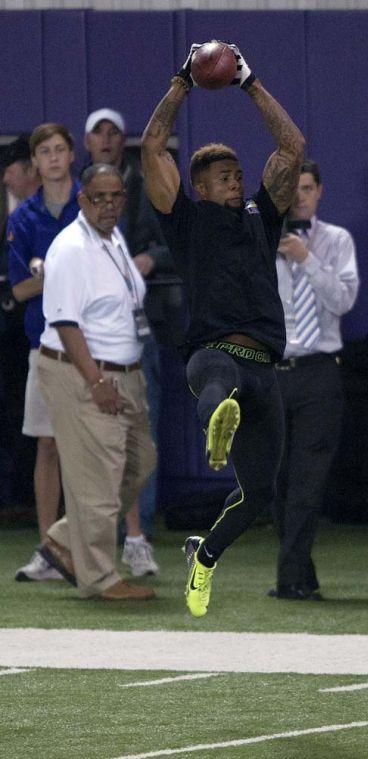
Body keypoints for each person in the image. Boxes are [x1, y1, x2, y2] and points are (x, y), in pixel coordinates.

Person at [141, 42, 305, 617]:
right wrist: (182, 81)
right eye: (224, 176)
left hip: (265, 369)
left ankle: (203, 556)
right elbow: (153, 147)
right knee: (216, 378)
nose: (236, 181)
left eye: (238, 173)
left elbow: (292, 147)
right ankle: (218, 417)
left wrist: (248, 81)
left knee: (259, 493)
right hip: (213, 354)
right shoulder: (185, 220)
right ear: (202, 187)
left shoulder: (263, 214)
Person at [36, 163, 157, 601]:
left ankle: (65, 540)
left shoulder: (113, 238)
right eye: (99, 198)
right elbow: (65, 322)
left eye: (116, 196)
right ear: (82, 200)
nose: (108, 205)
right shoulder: (70, 248)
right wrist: (95, 381)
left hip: (125, 371)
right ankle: (100, 578)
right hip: (84, 372)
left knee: (139, 461)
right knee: (100, 479)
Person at [83, 107, 173, 564]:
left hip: (137, 329)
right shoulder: (77, 200)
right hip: (87, 335)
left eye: (112, 133)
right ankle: (96, 528)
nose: (105, 139)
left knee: (140, 428)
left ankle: (139, 530)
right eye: (97, 132)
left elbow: (170, 243)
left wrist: (148, 260)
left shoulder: (144, 188)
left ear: (123, 142)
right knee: (93, 435)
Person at [269, 159, 359, 600]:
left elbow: (342, 301)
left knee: (309, 479)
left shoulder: (337, 240)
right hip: (274, 373)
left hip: (320, 371)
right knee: (277, 482)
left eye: (306, 187)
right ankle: (300, 574)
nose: (300, 196)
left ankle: (289, 578)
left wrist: (306, 259)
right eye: (292, 189)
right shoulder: (264, 242)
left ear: (319, 190)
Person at [7, 124, 80, 582]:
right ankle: (49, 549)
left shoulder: (92, 203)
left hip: (94, 343)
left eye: (59, 150)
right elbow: (20, 288)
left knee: (91, 448)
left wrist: (50, 273)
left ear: (72, 155)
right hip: (44, 344)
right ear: (34, 162)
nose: (52, 158)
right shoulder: (24, 218)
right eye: (44, 152)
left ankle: (89, 542)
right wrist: (56, 273)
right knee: (48, 445)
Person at [0, 135, 41, 511]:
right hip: (7, 330)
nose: (5, 178)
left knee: (31, 419)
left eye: (9, 170)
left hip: (31, 327)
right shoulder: (10, 209)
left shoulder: (46, 209)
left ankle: (28, 499)